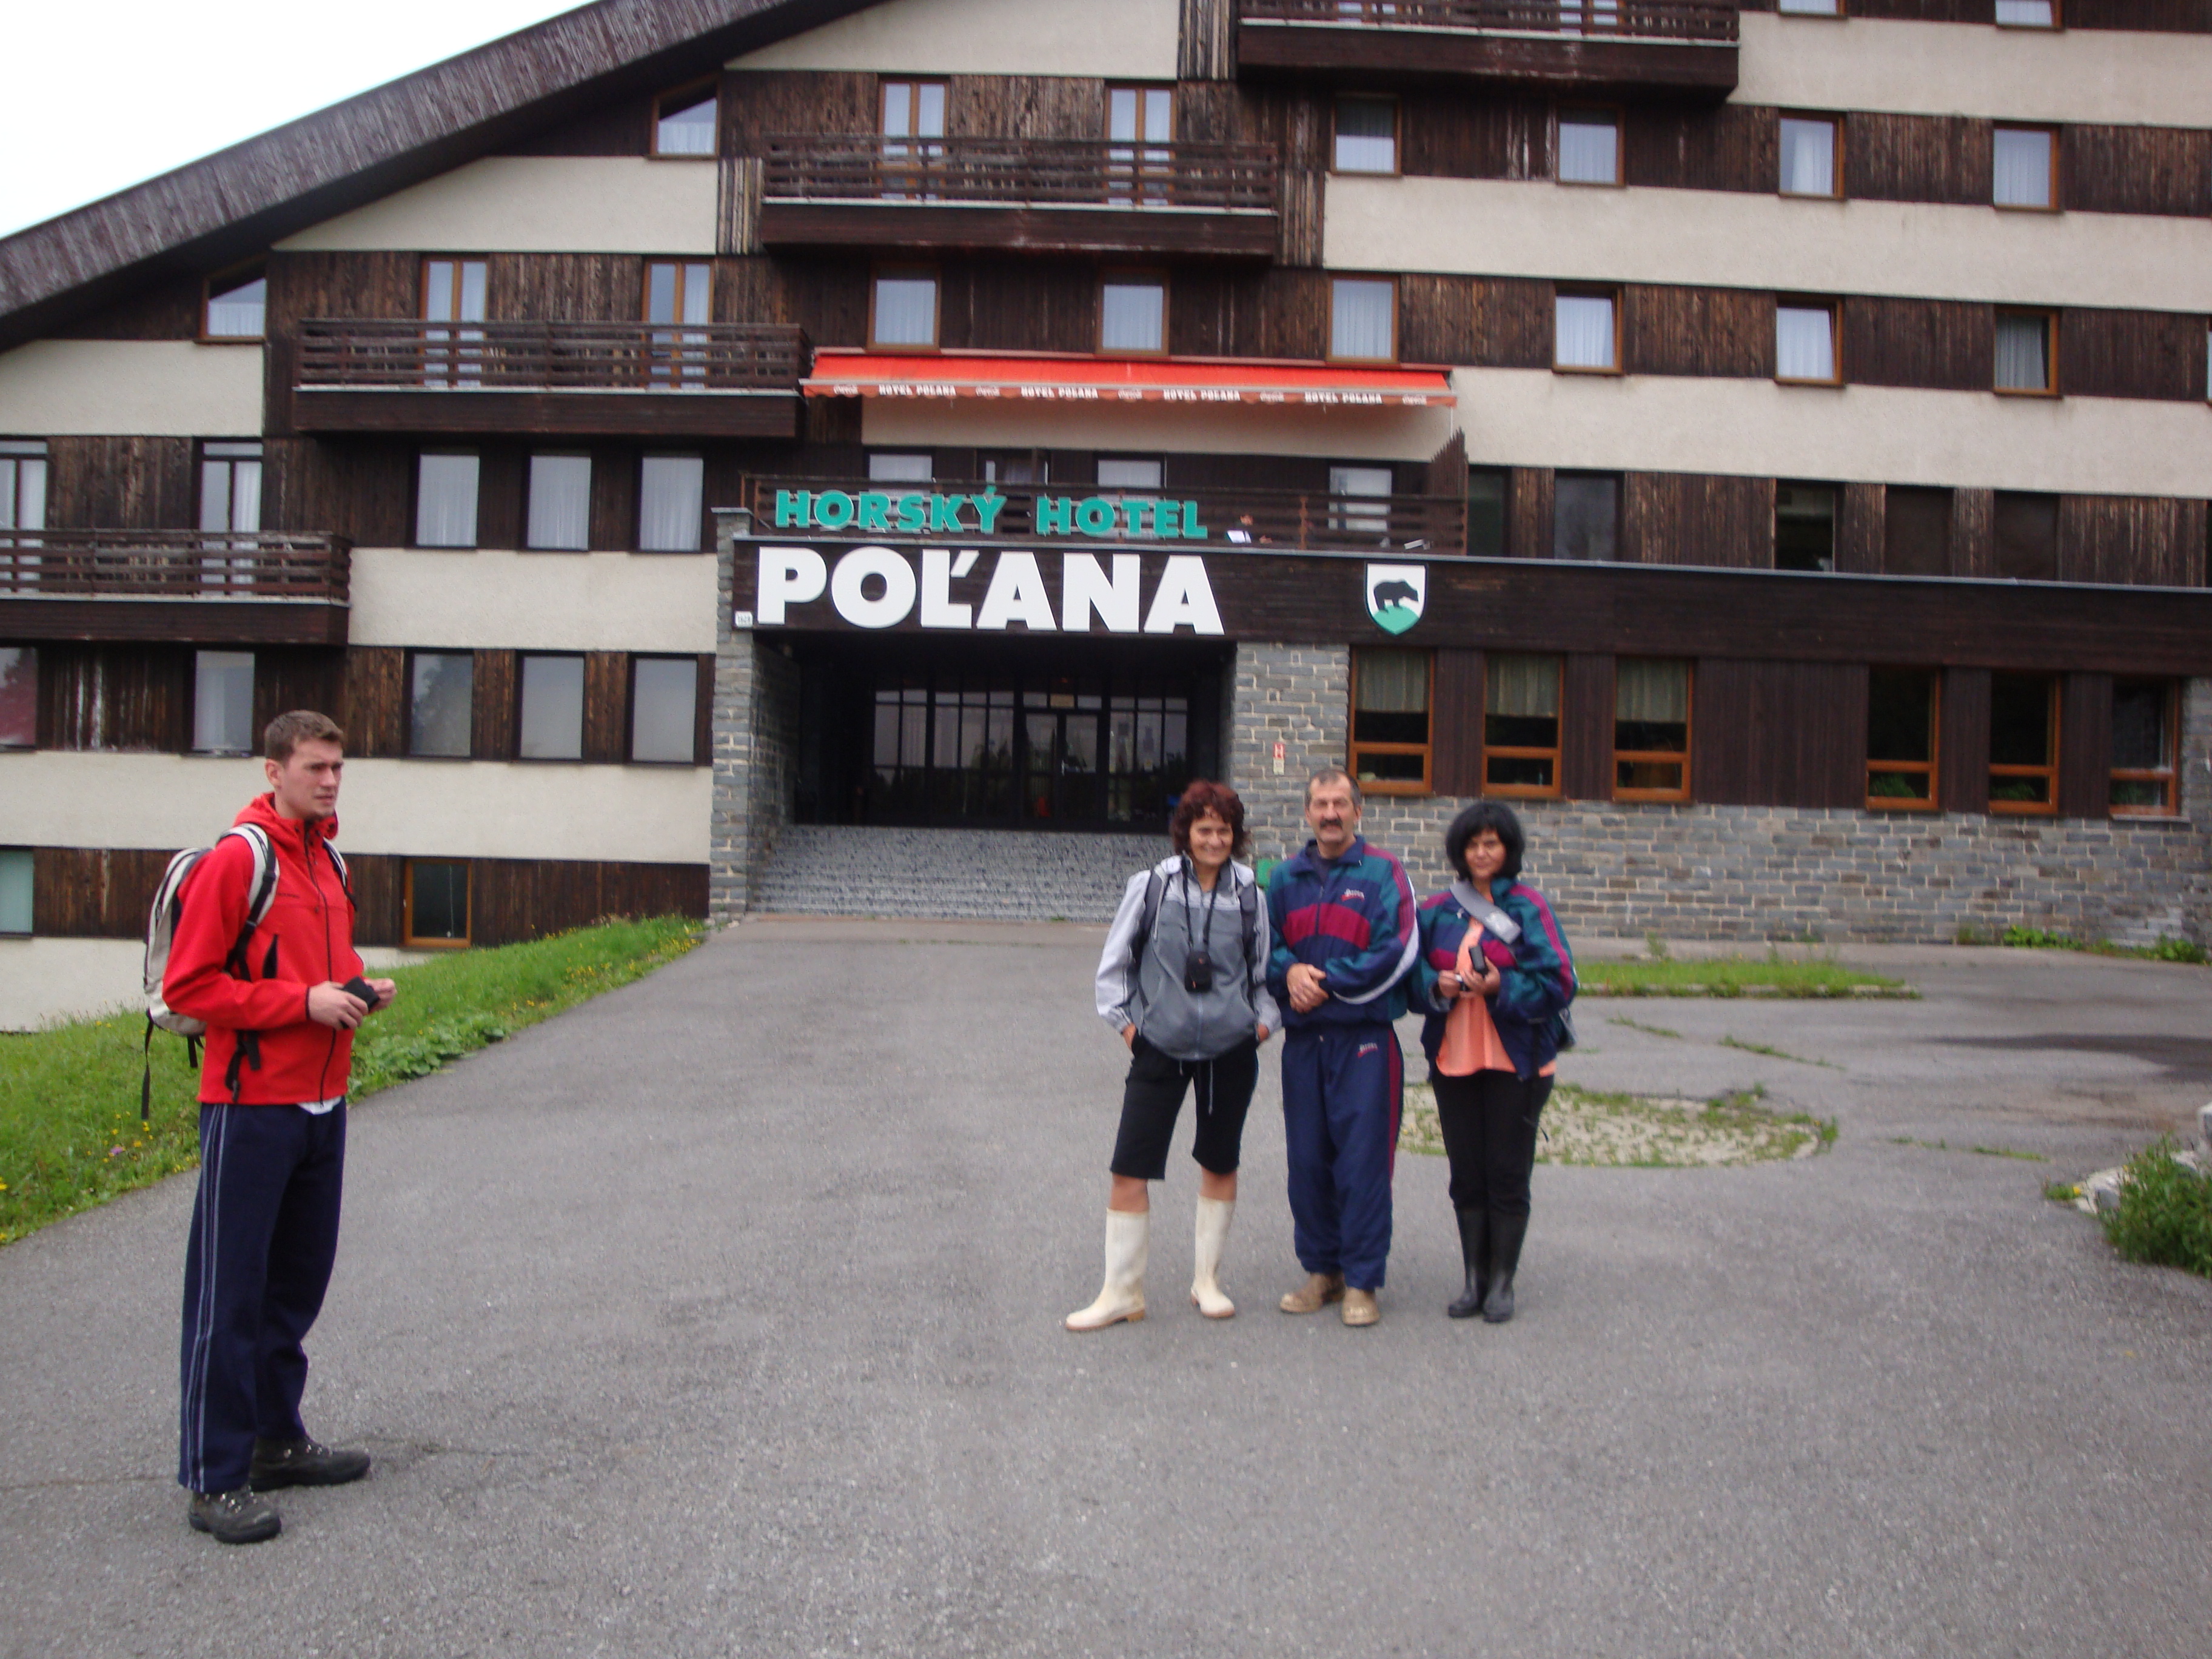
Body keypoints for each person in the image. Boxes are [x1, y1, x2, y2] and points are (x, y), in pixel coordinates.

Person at [164, 711, 395, 1544]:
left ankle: (274, 1442)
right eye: (313, 767)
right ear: (274, 771)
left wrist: (356, 990)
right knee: (229, 1294)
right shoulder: (242, 858)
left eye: (337, 767)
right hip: (249, 1106)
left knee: (293, 1287)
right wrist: (305, 1003)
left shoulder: (329, 860)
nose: (329, 781)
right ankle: (214, 1478)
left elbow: (316, 969)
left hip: (322, 1102)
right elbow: (191, 987)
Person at [1070, 780, 1279, 1331]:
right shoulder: (1151, 886)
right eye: (1204, 828)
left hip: (1230, 1051)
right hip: (1159, 1047)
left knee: (1220, 1162)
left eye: (1224, 830)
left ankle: (1207, 1281)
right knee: (1129, 1168)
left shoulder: (1251, 895)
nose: (1214, 839)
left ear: (1235, 836)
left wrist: (1259, 1028)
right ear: (1185, 833)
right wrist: (1129, 1030)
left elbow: (1264, 976)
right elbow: (1115, 966)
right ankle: (1121, 1293)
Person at [1265, 768, 1419, 1328]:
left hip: (1364, 1041)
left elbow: (1398, 949)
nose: (1330, 814)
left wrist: (1324, 982)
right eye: (1320, 804)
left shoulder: (1384, 872)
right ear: (1307, 813)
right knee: (1308, 1162)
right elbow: (1264, 945)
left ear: (1358, 810)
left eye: (1340, 803)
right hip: (1305, 1043)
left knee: (1362, 1163)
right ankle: (1321, 1271)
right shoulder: (1284, 878)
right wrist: (1290, 972)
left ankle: (1361, 1280)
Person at [1414, 802, 1577, 1324]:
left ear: (1508, 849)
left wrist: (1500, 985)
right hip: (1454, 1057)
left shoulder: (1530, 907)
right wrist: (1436, 985)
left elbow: (1560, 981)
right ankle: (1473, 1280)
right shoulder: (1438, 909)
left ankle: (1502, 1282)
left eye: (1492, 843)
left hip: (1517, 1062)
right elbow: (1410, 973)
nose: (1482, 853)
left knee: (1507, 1173)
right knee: (1467, 1174)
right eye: (1473, 844)